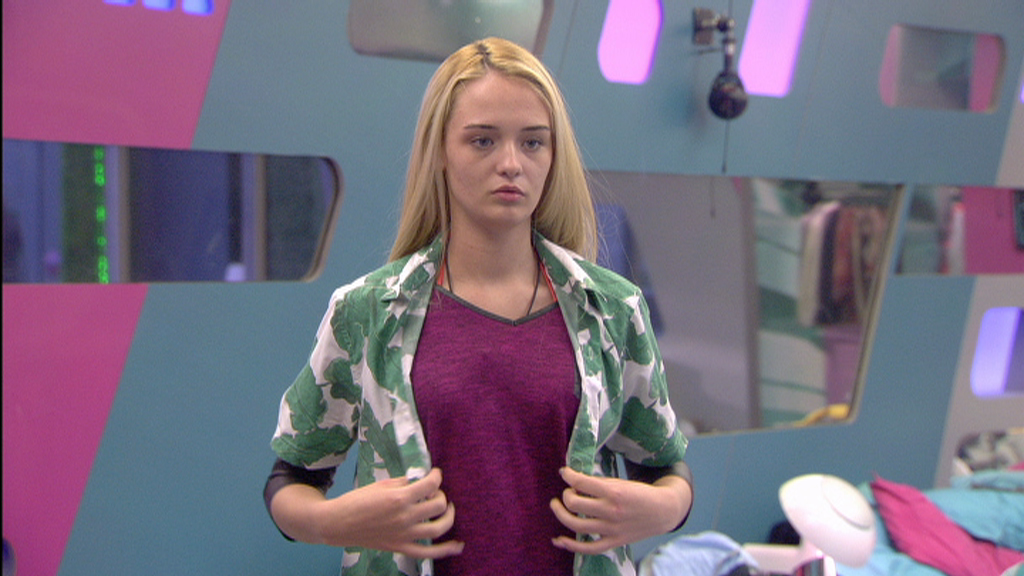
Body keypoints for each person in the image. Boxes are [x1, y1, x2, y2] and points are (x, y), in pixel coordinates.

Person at [264, 37, 693, 576]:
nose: (511, 163)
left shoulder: (611, 309)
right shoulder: (367, 312)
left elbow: (665, 468)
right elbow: (290, 480)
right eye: (483, 141)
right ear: (440, 152)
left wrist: (664, 508)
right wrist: (334, 522)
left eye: (533, 143)